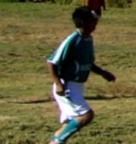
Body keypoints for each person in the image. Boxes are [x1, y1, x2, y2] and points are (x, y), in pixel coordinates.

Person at [45, 7, 116, 143]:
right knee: (86, 115)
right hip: (67, 86)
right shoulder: (72, 40)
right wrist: (58, 84)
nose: (96, 23)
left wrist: (102, 73)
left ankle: (55, 141)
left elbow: (88, 63)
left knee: (71, 122)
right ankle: (57, 141)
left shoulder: (88, 39)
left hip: (77, 86)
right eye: (93, 21)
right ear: (83, 22)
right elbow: (51, 62)